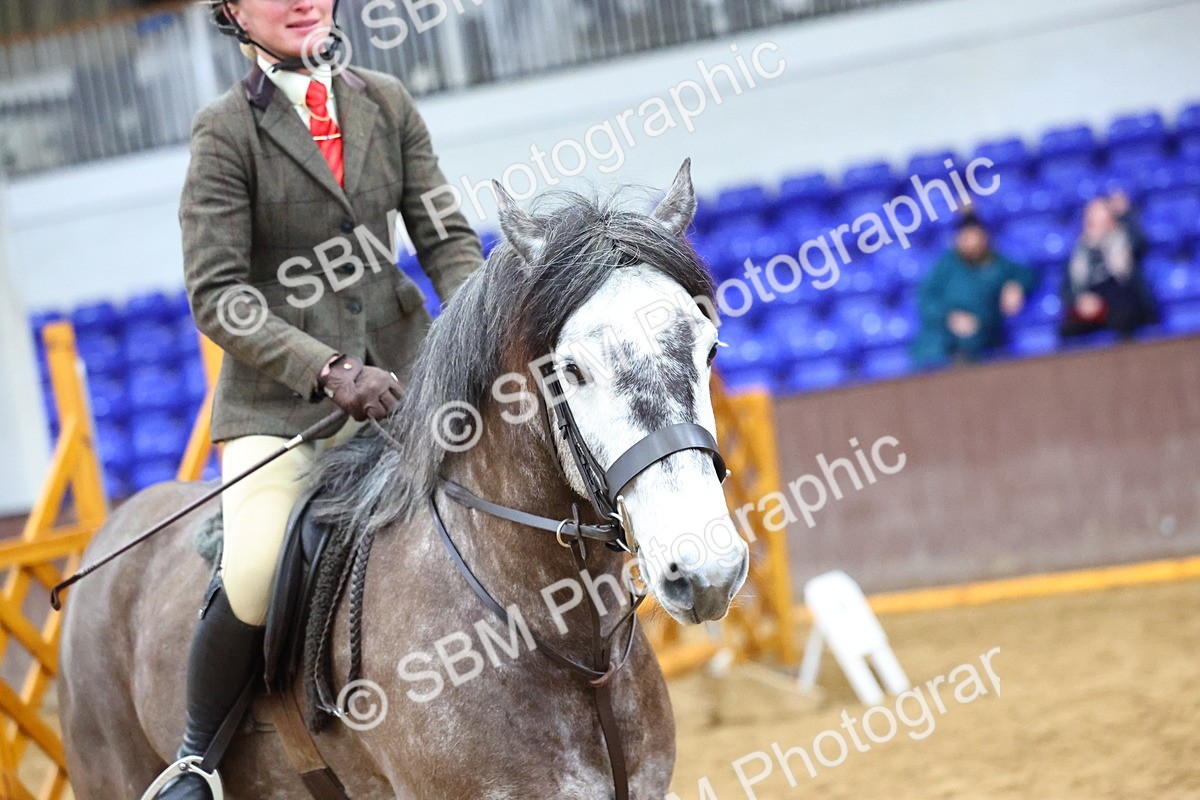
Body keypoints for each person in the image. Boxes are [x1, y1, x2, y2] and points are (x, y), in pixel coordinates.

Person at [151, 1, 482, 797]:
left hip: (406, 379)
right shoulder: (225, 130)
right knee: (259, 565)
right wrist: (328, 369)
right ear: (231, 11)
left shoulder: (387, 102)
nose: (301, 0)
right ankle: (198, 757)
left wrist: (473, 332)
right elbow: (219, 294)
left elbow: (445, 238)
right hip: (285, 406)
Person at [911, 213, 1038, 365]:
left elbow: (1030, 275)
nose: (971, 243)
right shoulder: (946, 265)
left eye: (975, 236)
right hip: (944, 341)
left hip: (986, 339)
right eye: (966, 237)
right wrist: (950, 317)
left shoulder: (998, 263)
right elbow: (926, 300)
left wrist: (1017, 285)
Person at [1059, 191, 1157, 339]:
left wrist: (1126, 213)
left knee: (1124, 318)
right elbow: (1067, 286)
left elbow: (1140, 241)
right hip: (1091, 301)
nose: (1095, 218)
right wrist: (1079, 300)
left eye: (1100, 213)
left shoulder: (1124, 238)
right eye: (1091, 214)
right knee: (1068, 330)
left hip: (1121, 299)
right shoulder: (1079, 249)